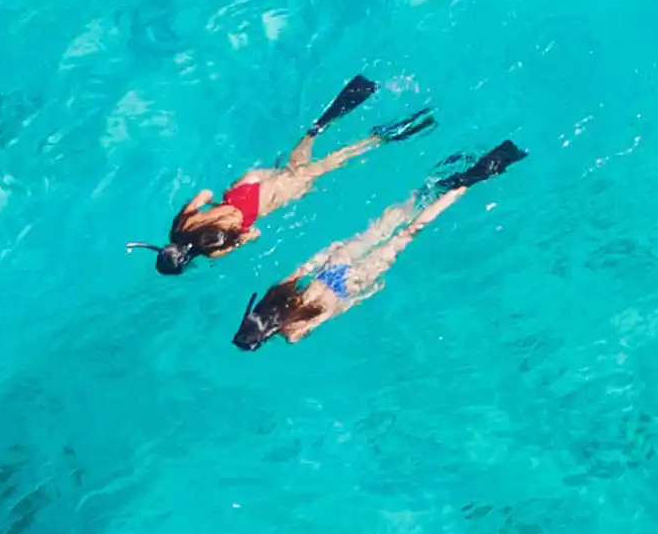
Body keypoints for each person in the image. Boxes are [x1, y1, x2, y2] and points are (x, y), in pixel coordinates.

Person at [234, 143, 523, 349]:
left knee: (410, 232)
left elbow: (338, 309)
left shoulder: (294, 333)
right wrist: (331, 251)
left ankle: (473, 178)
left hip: (351, 282)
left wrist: (368, 292)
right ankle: (437, 187)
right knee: (389, 221)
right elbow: (303, 267)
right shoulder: (275, 294)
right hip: (334, 265)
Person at [145, 76, 431, 275]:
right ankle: (319, 127)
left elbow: (253, 233)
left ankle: (378, 139)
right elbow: (205, 194)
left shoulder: (213, 251)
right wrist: (216, 210)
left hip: (262, 203)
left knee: (331, 162)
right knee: (296, 161)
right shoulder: (179, 225)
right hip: (243, 188)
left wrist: (236, 232)